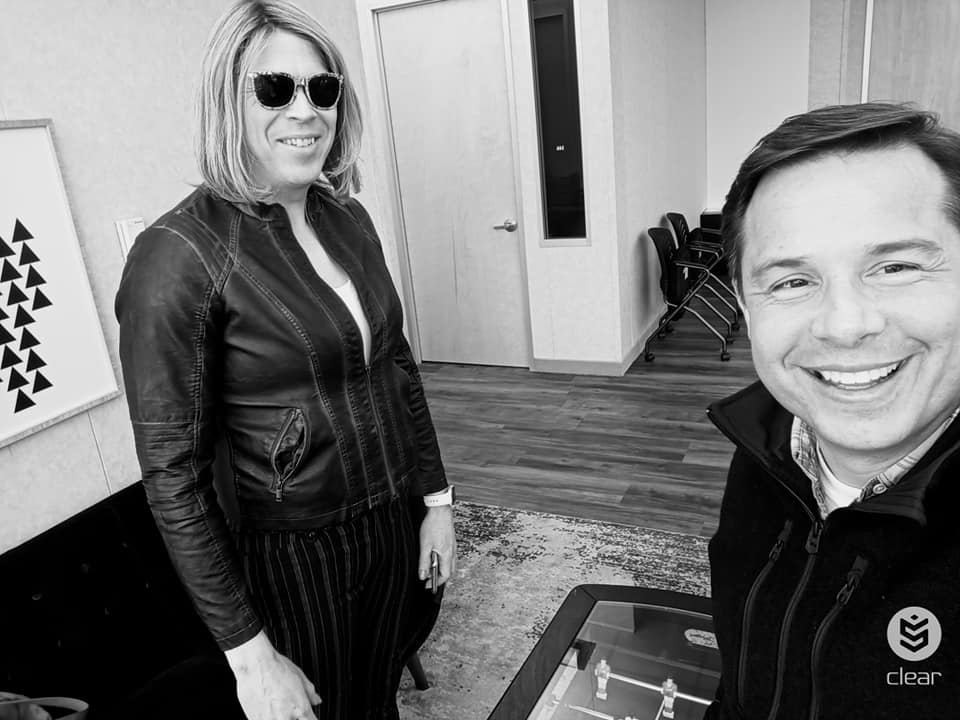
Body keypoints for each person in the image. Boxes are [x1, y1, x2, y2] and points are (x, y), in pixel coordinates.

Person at [114, 2, 456, 719]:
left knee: (376, 698)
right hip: (296, 553)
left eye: (322, 88)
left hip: (389, 518)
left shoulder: (348, 218)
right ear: (227, 101)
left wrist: (435, 502)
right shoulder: (177, 255)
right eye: (274, 88)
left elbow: (396, 367)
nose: (305, 110)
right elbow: (173, 476)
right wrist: (250, 654)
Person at [704, 103, 960, 719]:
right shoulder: (766, 450)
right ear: (746, 305)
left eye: (896, 267)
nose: (845, 326)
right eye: (792, 281)